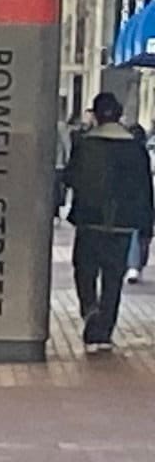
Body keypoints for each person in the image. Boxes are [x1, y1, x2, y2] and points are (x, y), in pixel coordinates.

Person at [62, 94, 153, 349]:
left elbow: (70, 178)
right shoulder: (136, 148)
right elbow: (145, 190)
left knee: (85, 270)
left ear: (96, 115)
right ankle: (104, 331)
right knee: (113, 279)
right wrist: (146, 226)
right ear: (120, 113)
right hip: (122, 223)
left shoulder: (85, 144)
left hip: (89, 220)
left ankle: (90, 309)